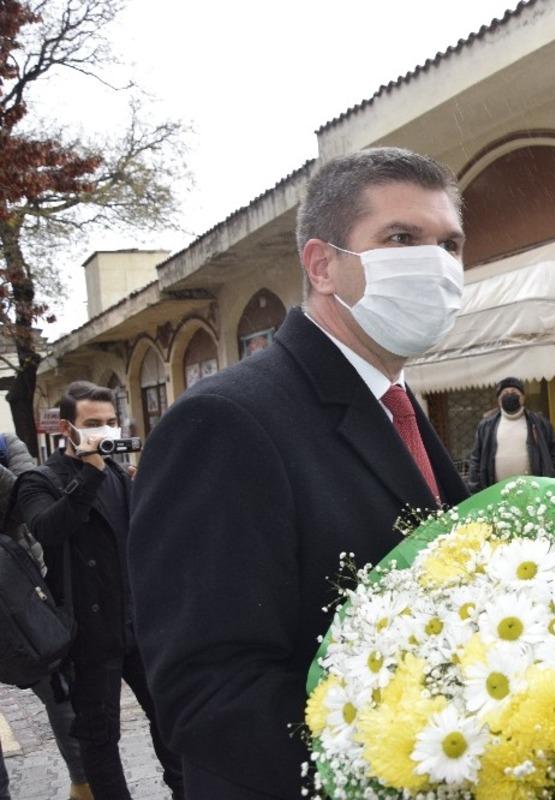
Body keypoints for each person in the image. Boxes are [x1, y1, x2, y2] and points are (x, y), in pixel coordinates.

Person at [126, 148, 471, 799]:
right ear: (322, 265)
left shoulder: (395, 405)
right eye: (402, 238)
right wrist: (400, 767)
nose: (436, 263)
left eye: (450, 244)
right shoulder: (225, 422)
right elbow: (207, 691)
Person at [15, 384, 183, 800]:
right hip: (88, 633)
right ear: (67, 429)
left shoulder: (118, 476)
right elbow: (47, 529)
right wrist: (89, 474)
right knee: (99, 736)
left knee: (170, 720)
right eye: (92, 424)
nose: (104, 431)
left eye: (110, 422)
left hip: (136, 624)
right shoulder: (39, 481)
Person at [0, 432, 92, 800]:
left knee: (57, 689)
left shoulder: (8, 446)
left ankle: (84, 785)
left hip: (19, 591)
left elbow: (22, 498)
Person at [466, 377, 555, 492]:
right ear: (498, 400)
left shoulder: (539, 423)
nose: (510, 395)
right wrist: (474, 489)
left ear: (523, 397)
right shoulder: (486, 426)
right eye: (505, 393)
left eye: (514, 392)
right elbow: (476, 459)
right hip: (496, 493)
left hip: (535, 491)